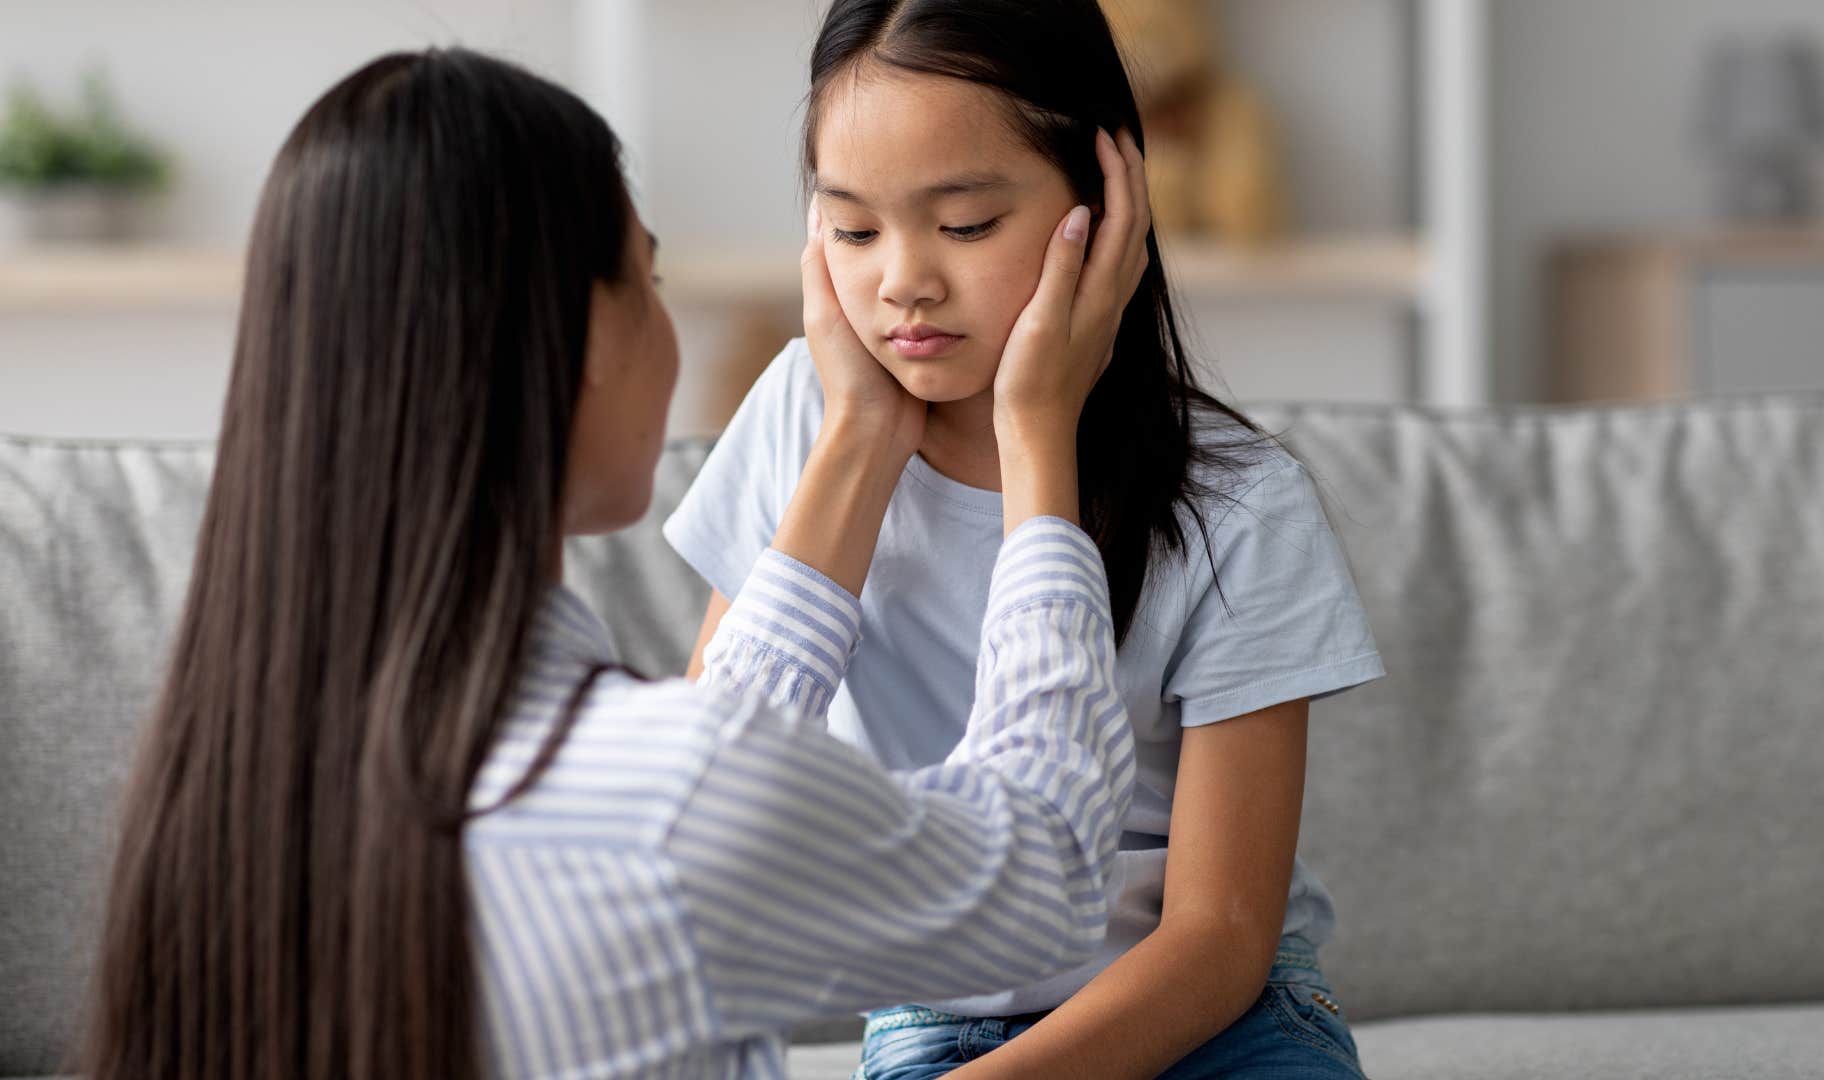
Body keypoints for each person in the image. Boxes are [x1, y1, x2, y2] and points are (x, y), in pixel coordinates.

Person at [80, 47, 1148, 1079]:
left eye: (963, 224)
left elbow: (711, 786)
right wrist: (1039, 441)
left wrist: (861, 437)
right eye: (650, 278)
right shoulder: (669, 794)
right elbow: (1041, 875)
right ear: (584, 338)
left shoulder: (220, 778)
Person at [664, 2, 1385, 1076]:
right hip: (941, 1020)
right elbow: (704, 799)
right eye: (853, 229)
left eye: (963, 226)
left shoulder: (1240, 502)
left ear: (1106, 206)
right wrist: (859, 438)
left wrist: (1035, 427)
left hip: (1215, 1020)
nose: (903, 278)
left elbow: (1220, 940)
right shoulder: (796, 422)